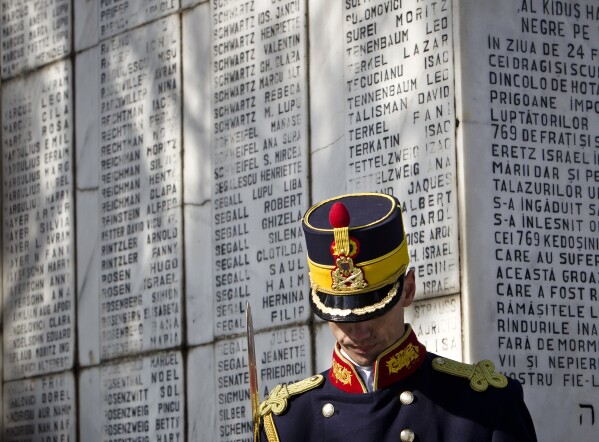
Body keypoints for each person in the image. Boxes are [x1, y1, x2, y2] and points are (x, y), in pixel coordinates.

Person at [258, 192, 537, 441]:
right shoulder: (287, 423)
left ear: (409, 290)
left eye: (373, 311)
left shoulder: (485, 407)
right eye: (341, 315)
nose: (358, 331)